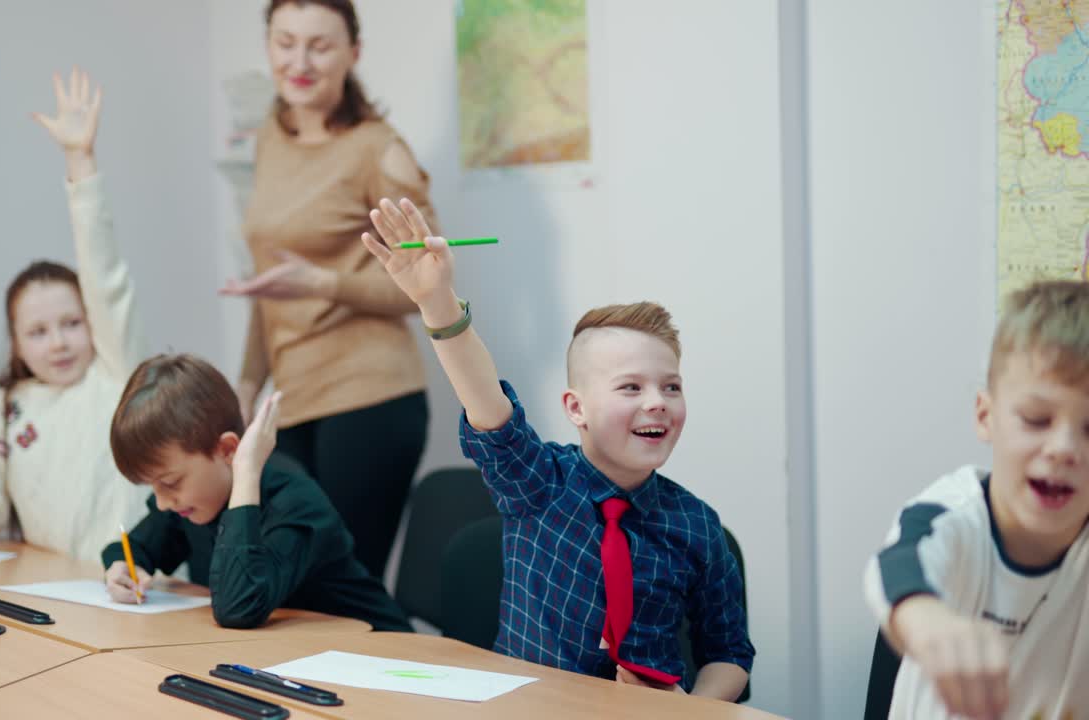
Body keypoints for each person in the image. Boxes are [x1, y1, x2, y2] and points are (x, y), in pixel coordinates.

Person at [357, 199, 754, 698]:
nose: (657, 402)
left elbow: (730, 654)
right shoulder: (539, 482)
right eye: (631, 388)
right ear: (576, 408)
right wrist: (437, 302)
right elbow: (486, 403)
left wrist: (690, 709)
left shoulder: (696, 524)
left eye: (671, 387)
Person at [220, 0, 436, 578]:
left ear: (353, 53)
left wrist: (322, 282)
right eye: (285, 42)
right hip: (292, 400)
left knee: (340, 591)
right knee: (289, 588)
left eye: (320, 45)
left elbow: (425, 285)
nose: (300, 61)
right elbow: (271, 288)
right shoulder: (270, 137)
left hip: (370, 398)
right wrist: (245, 386)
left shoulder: (378, 146)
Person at [0, 69, 149, 563]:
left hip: (137, 588)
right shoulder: (12, 405)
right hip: (54, 594)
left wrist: (80, 159)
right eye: (37, 332)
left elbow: (104, 274)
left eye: (72, 324)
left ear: (95, 324)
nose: (58, 343)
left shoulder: (119, 377)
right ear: (15, 344)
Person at [864, 280, 1089, 720]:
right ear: (986, 416)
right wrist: (928, 620)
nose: (1064, 448)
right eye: (1037, 419)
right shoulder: (958, 513)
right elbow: (898, 562)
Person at [100, 353, 413, 632]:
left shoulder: (295, 501)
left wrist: (246, 474)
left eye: (169, 483)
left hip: (384, 657)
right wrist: (123, 568)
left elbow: (238, 608)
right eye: (152, 486)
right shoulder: (190, 503)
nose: (163, 502)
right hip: (303, 660)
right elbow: (133, 547)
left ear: (227, 449)